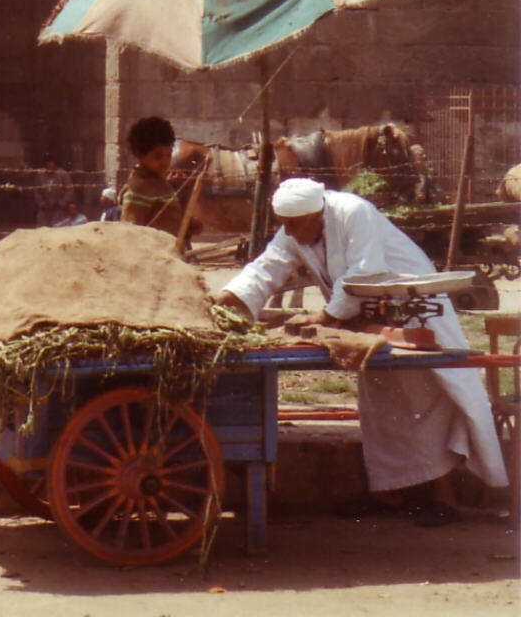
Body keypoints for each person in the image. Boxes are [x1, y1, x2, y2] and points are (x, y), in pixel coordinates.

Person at [218, 177, 508, 527]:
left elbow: (365, 271)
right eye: (285, 225)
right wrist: (225, 300)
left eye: (293, 225)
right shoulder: (294, 230)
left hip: (414, 305)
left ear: (317, 213)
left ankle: (442, 497)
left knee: (427, 399)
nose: (289, 233)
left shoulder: (354, 212)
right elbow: (265, 269)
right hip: (366, 319)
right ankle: (387, 492)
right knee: (379, 405)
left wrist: (325, 315)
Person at [120, 116, 197, 240]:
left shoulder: (160, 182)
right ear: (139, 154)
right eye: (157, 156)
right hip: (153, 254)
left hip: (168, 251)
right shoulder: (138, 189)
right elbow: (130, 232)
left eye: (169, 155)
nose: (165, 162)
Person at [33, 155, 74, 227]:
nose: (50, 169)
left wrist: (61, 203)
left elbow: (70, 191)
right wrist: (42, 204)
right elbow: (36, 191)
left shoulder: (63, 174)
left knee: (57, 231)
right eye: (47, 167)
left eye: (52, 167)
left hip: (59, 210)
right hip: (44, 210)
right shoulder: (40, 175)